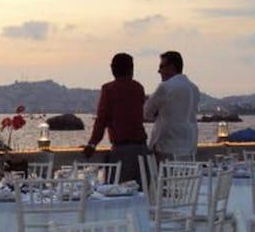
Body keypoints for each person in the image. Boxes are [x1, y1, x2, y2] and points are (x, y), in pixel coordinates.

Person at [82, 53, 149, 184]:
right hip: (142, 149)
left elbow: (101, 119)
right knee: (141, 194)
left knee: (118, 193)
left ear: (113, 69)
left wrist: (92, 144)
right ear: (131, 69)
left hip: (122, 151)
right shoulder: (138, 88)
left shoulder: (109, 89)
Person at [143, 50, 200, 162]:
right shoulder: (194, 88)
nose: (159, 71)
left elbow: (146, 113)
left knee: (163, 179)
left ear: (171, 67)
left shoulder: (165, 87)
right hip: (189, 146)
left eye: (161, 66)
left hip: (166, 147)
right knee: (185, 179)